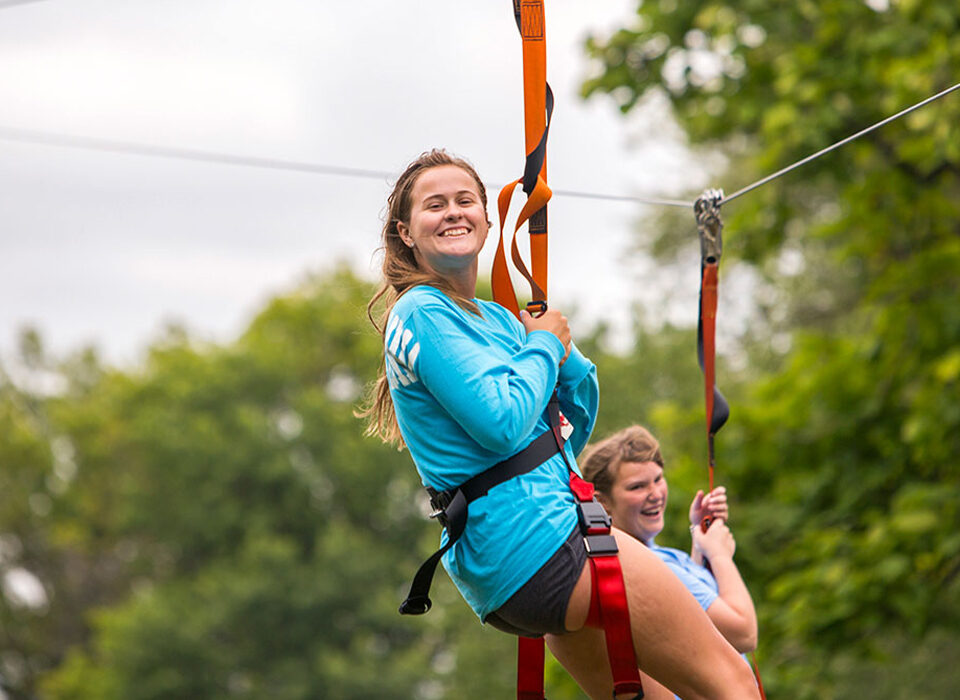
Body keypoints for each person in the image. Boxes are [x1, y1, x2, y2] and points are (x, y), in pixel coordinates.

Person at [361, 148, 760, 700]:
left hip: (516, 568)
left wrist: (564, 360)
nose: (453, 212)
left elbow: (566, 424)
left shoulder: (496, 318)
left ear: (487, 218)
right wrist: (546, 344)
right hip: (542, 541)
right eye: (435, 205)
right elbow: (502, 424)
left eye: (464, 200)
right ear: (406, 231)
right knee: (733, 682)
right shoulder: (421, 312)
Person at [579, 425, 758, 655]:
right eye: (638, 487)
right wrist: (720, 555)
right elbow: (744, 634)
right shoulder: (652, 566)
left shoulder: (655, 556)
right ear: (601, 502)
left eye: (658, 479)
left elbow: (694, 606)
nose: (655, 494)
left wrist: (700, 537)